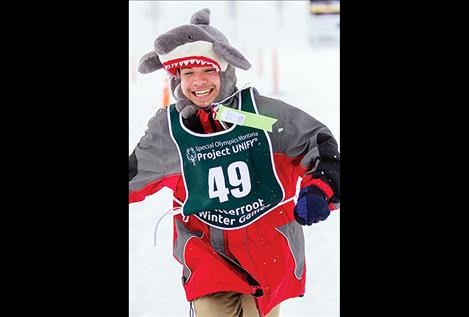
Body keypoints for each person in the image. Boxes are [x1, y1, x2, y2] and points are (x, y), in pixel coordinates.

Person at [129, 8, 340, 317]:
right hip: (206, 255)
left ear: (225, 70)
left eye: (208, 71)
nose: (198, 82)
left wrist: (320, 190)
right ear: (177, 79)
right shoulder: (169, 131)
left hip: (267, 251)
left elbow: (318, 143)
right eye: (188, 74)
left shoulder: (263, 115)